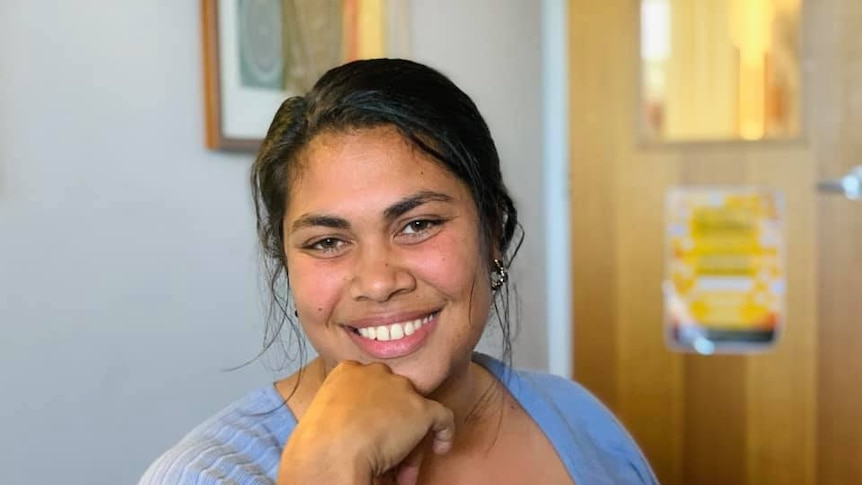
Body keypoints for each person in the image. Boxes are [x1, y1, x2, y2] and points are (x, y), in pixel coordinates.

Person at [140, 58, 657, 485]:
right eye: (327, 241)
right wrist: (325, 472)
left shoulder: (578, 419)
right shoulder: (208, 474)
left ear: (492, 233)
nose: (380, 280)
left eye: (417, 225)